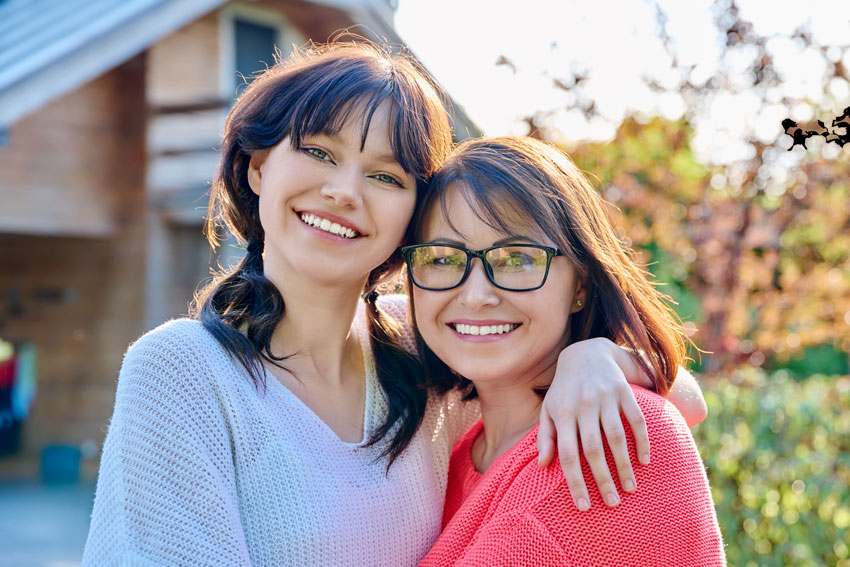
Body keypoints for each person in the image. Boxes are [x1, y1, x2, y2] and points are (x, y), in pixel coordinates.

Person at [82, 41, 706, 567]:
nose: (343, 191)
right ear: (258, 166)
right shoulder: (184, 372)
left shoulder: (425, 358)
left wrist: (595, 359)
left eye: (385, 176)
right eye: (320, 152)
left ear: (413, 214)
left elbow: (676, 407)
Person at [408, 137, 726, 566]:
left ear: (580, 284)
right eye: (443, 259)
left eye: (517, 258)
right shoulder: (460, 452)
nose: (476, 295)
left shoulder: (613, 439)